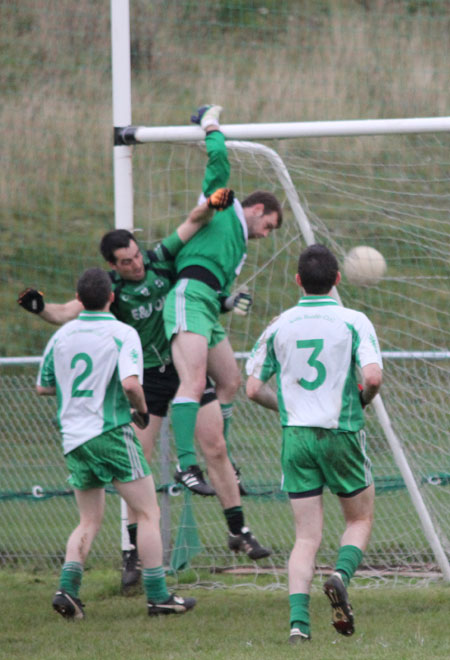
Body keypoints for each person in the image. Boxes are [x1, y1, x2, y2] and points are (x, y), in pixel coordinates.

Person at [19, 191, 271, 591]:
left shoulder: (161, 259)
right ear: (111, 266)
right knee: (139, 467)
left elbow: (193, 224)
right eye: (126, 261)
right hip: (146, 381)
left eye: (136, 255)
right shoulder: (111, 292)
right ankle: (132, 556)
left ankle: (238, 530)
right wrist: (40, 308)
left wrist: (224, 297)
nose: (136, 264)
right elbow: (65, 313)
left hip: (185, 368)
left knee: (216, 447)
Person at [36, 267, 196, 619]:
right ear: (111, 297)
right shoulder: (123, 333)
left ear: (78, 300)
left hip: (74, 438)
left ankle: (68, 589)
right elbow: (130, 384)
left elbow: (44, 385)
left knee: (88, 519)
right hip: (109, 433)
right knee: (148, 512)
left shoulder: (61, 337)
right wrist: (141, 412)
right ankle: (158, 596)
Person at [245, 244, 383, 643]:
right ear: (338, 279)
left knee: (306, 536)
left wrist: (287, 410)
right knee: (359, 519)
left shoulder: (279, 325)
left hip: (297, 438)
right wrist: (361, 401)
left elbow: (252, 389)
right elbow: (372, 378)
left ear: (298, 281)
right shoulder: (354, 321)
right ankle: (340, 575)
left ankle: (298, 626)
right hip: (339, 432)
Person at [163, 104, 283, 518]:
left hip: (206, 309)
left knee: (230, 380)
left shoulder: (241, 249)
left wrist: (230, 303)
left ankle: (224, 459)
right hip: (187, 298)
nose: (267, 235)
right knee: (193, 383)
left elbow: (216, 293)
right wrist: (209, 121)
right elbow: (218, 158)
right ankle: (185, 463)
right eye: (269, 225)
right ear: (258, 209)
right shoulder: (224, 204)